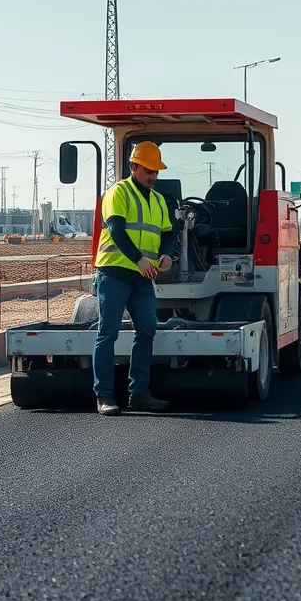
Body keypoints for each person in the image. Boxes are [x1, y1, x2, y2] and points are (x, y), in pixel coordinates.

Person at [92, 141, 177, 415]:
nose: (152, 176)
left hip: (143, 277)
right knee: (108, 333)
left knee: (147, 329)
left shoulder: (159, 199)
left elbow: (169, 233)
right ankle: (104, 396)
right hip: (115, 273)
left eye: (155, 171)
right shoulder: (118, 192)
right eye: (147, 171)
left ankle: (138, 394)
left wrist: (167, 255)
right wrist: (138, 259)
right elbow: (116, 229)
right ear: (133, 167)